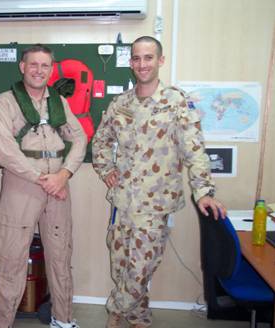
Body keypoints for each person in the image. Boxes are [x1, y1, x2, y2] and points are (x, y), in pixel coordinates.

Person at [92, 36, 226, 328]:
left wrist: (204, 191)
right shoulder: (121, 104)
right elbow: (100, 140)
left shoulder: (176, 102)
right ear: (131, 63)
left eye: (149, 57)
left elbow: (195, 149)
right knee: (121, 264)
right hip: (123, 201)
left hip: (155, 203)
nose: (143, 64)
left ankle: (117, 311)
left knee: (140, 268)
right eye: (137, 58)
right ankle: (139, 317)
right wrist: (105, 169)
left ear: (160, 61)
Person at [0, 44, 87, 328]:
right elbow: (4, 150)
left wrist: (65, 173)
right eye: (33, 64)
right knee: (10, 259)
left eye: (45, 66)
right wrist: (41, 179)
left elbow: (80, 138)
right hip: (21, 185)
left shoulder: (58, 102)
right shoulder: (5, 103)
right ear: (22, 66)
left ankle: (63, 318)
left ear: (51, 69)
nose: (38, 70)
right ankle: (3, 323)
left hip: (58, 185)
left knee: (60, 255)